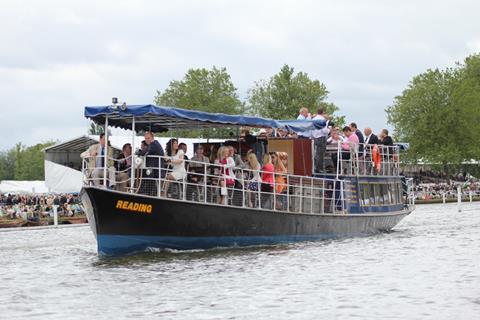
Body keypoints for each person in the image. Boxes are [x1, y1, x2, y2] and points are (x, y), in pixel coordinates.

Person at [312, 109, 331, 173]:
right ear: (323, 112)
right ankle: (319, 169)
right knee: (320, 154)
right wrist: (329, 130)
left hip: (314, 137)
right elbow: (324, 131)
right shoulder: (323, 120)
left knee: (315, 153)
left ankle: (315, 167)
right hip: (321, 137)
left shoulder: (313, 119)